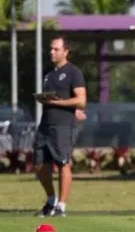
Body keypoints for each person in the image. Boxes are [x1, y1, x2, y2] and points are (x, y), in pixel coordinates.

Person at [33, 36, 87, 217]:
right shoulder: (48, 73)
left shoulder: (73, 72)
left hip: (63, 126)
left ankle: (61, 207)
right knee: (39, 164)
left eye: (56, 49)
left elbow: (81, 100)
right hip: (45, 124)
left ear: (66, 51)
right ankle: (51, 200)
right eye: (50, 49)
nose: (52, 52)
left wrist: (61, 104)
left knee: (63, 163)